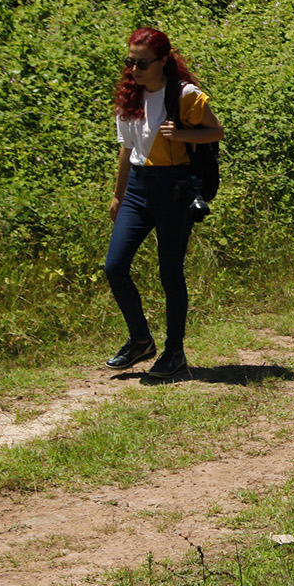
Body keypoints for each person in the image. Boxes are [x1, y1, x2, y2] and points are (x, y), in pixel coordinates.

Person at [104, 28, 224, 377]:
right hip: (139, 189)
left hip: (175, 187)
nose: (134, 70)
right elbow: (126, 150)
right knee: (115, 266)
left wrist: (183, 134)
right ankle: (141, 340)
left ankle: (174, 352)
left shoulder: (185, 94)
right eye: (130, 62)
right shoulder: (129, 96)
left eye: (142, 63)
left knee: (169, 272)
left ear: (162, 61)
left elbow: (215, 131)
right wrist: (118, 194)